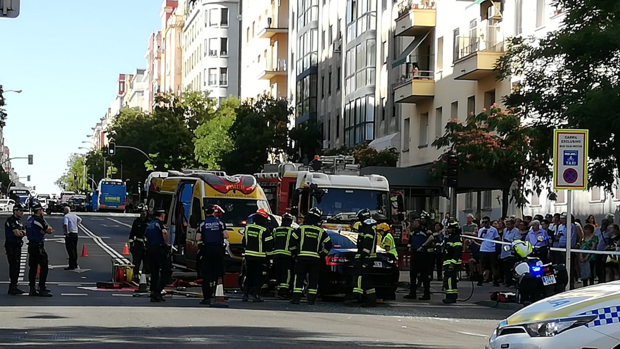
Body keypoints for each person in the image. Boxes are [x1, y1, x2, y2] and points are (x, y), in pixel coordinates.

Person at [290, 207, 331, 305]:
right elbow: (328, 244)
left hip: (301, 258)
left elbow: (292, 242)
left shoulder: (301, 229)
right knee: (313, 279)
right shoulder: (321, 231)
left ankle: (296, 299)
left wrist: (294, 253)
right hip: (315, 260)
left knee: (299, 278)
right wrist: (322, 255)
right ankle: (311, 299)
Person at [196, 204, 229, 305]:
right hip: (218, 250)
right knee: (219, 273)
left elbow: (197, 238)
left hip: (207, 250)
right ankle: (219, 293)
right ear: (214, 212)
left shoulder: (202, 224)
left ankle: (207, 297)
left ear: (205, 213)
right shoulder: (220, 223)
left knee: (206, 274)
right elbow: (226, 235)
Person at [241, 208, 273, 302]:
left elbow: (244, 242)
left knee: (249, 274)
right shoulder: (265, 230)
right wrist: (270, 258)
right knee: (259, 276)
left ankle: (245, 294)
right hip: (260, 257)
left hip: (249, 257)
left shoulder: (247, 228)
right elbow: (269, 246)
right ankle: (256, 295)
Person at [25, 204, 53, 297]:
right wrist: (44, 230)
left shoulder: (29, 220)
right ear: (39, 211)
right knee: (44, 265)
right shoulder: (39, 220)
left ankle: (32, 288)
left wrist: (42, 231)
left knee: (32, 268)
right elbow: (49, 230)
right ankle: (42, 287)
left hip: (31, 245)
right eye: (42, 210)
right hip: (38, 245)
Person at [351, 209, 378, 307]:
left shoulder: (368, 228)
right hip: (368, 258)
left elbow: (367, 244)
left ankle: (356, 295)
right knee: (367, 280)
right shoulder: (368, 228)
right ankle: (371, 300)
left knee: (359, 275)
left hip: (366, 258)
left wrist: (362, 256)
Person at [404, 212, 434, 300]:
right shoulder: (413, 231)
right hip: (415, 253)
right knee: (413, 274)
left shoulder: (424, 229)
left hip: (423, 255)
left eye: (413, 221)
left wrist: (423, 246)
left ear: (417, 222)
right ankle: (412, 293)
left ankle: (426, 294)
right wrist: (409, 247)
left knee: (424, 275)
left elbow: (431, 237)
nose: (413, 223)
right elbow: (411, 241)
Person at [145, 208, 170, 303]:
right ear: (162, 215)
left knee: (154, 273)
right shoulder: (159, 224)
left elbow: (146, 237)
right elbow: (164, 232)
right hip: (159, 249)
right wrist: (166, 244)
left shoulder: (150, 224)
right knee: (166, 271)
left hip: (151, 249)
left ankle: (153, 293)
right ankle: (158, 291)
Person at [272, 213, 295, 298]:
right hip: (287, 256)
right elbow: (294, 244)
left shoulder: (276, 230)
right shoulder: (292, 231)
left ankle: (278, 290)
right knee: (286, 274)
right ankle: (284, 291)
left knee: (278, 272)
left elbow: (272, 242)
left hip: (276, 255)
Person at [5, 203, 27, 295]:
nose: (22, 213)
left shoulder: (19, 221)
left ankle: (15, 285)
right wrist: (21, 232)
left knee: (17, 266)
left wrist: (22, 232)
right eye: (20, 211)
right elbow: (17, 233)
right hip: (11, 246)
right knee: (14, 266)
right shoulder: (11, 220)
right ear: (15, 211)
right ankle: (12, 287)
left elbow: (25, 231)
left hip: (17, 245)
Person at [442, 220, 462, 304]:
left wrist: (452, 263)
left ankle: (450, 297)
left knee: (450, 280)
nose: (448, 230)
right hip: (448, 262)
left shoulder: (456, 238)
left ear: (454, 229)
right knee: (451, 279)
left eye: (450, 228)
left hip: (452, 263)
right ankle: (453, 295)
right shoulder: (450, 237)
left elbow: (457, 252)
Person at [128, 204, 150, 279]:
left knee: (147, 261)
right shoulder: (136, 222)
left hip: (147, 245)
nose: (143, 213)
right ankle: (136, 275)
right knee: (136, 261)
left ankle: (145, 277)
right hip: (138, 243)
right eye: (142, 212)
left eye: (145, 211)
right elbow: (132, 234)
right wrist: (131, 245)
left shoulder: (150, 222)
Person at [478, 216, 500, 286]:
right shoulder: (481, 230)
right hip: (483, 249)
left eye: (486, 222)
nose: (484, 224)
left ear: (489, 222)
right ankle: (480, 280)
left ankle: (495, 280)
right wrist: (482, 234)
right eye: (483, 222)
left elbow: (497, 239)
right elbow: (479, 240)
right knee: (482, 265)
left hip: (491, 249)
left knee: (493, 265)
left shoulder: (494, 230)